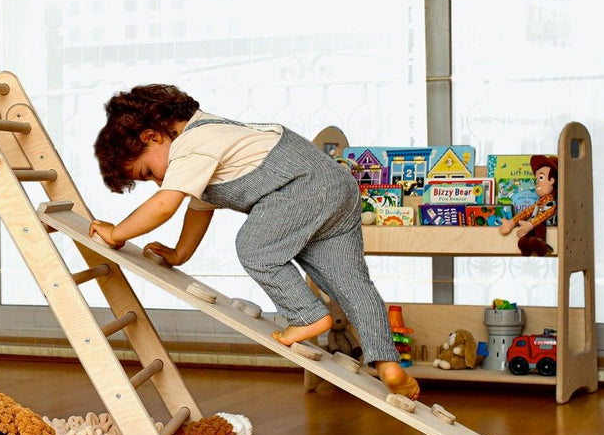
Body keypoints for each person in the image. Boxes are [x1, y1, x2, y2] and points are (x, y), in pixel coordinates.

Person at [88, 84, 420, 400]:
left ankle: (307, 316)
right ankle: (389, 365)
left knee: (256, 249)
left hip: (303, 186)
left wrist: (117, 233)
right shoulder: (210, 137)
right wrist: (180, 253)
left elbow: (164, 205)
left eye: (149, 172)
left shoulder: (192, 143)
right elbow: (200, 208)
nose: (159, 181)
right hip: (337, 187)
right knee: (350, 282)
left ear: (152, 136)